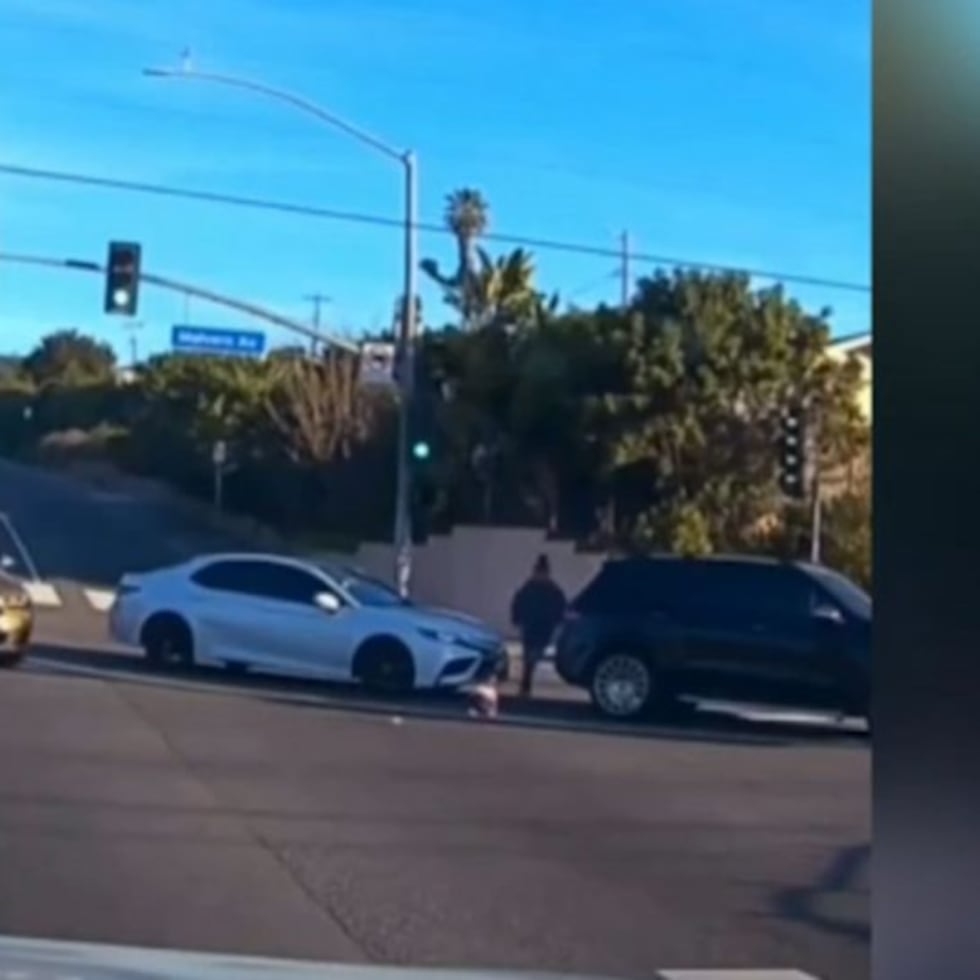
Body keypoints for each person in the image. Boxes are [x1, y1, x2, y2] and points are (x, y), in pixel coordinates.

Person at [509, 554, 567, 697]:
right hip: (533, 624)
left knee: (533, 653)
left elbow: (560, 607)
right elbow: (518, 603)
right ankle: (526, 681)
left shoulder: (547, 590)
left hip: (541, 625)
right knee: (530, 654)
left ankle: (526, 679)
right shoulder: (536, 588)